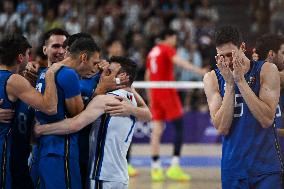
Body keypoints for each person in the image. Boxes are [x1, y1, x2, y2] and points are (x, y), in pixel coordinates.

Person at [34, 56, 143, 189]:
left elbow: (75, 124)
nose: (102, 74)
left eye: (108, 72)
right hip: (120, 176)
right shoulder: (133, 101)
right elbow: (148, 113)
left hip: (102, 175)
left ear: (122, 76)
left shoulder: (105, 100)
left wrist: (41, 129)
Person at [203, 26, 282, 189]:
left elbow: (267, 119)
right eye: (221, 56)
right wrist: (230, 85)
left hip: (266, 168)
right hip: (233, 168)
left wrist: (240, 81)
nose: (227, 61)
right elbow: (222, 128)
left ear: (243, 48)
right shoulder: (212, 78)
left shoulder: (266, 70)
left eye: (230, 55)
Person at [34, 37, 99, 189]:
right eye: (94, 62)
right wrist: (99, 91)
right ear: (83, 57)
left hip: (42, 148)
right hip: (62, 149)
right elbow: (79, 114)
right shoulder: (68, 74)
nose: (95, 68)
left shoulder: (44, 73)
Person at [145, 29, 206, 181]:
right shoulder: (167, 49)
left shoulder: (152, 52)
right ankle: (174, 166)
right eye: (174, 38)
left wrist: (150, 97)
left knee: (157, 130)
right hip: (167, 93)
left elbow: (147, 75)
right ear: (168, 37)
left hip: (155, 93)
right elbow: (180, 62)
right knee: (179, 127)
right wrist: (200, 71)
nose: (175, 41)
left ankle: (155, 168)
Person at [0, 34, 60, 189]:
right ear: (21, 57)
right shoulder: (14, 80)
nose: (30, 58)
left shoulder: (16, 80)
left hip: (16, 155)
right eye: (28, 54)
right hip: (7, 156)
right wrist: (50, 73)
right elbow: (50, 107)